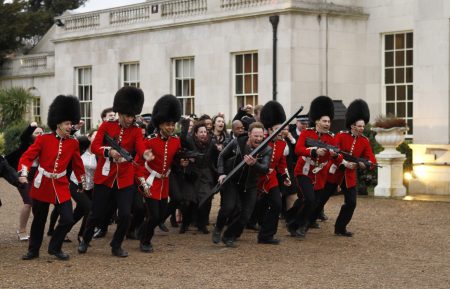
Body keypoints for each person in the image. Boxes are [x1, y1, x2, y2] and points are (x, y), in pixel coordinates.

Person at [78, 86, 153, 258]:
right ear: (120, 113)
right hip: (105, 177)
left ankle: (116, 245)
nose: (130, 119)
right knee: (96, 214)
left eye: (133, 116)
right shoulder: (106, 126)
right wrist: (108, 152)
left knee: (126, 215)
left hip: (125, 178)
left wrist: (145, 153)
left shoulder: (135, 130)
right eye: (128, 115)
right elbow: (95, 146)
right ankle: (85, 239)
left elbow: (140, 145)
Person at [19, 95, 86, 261]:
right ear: (58, 124)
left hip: (61, 183)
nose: (70, 126)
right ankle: (33, 250)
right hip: (43, 183)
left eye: (71, 123)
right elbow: (27, 157)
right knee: (39, 220)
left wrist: (81, 181)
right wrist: (24, 172)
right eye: (67, 124)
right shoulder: (44, 139)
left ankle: (54, 247)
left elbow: (77, 164)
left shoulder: (73, 143)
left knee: (68, 218)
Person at [288, 95, 342, 239]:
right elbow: (298, 149)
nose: (327, 123)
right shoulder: (307, 133)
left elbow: (338, 156)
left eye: (329, 121)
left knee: (312, 203)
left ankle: (293, 222)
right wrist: (313, 151)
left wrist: (335, 156)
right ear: (317, 121)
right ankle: (300, 226)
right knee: (309, 199)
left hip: (320, 176)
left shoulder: (332, 138)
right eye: (324, 121)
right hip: (304, 171)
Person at [212, 122, 272, 247]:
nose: (258, 139)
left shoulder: (266, 149)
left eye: (261, 136)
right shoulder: (237, 143)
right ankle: (218, 227)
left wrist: (254, 164)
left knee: (245, 215)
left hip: (250, 185)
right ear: (249, 134)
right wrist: (221, 173)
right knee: (228, 207)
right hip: (233, 181)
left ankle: (229, 236)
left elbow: (265, 169)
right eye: (255, 136)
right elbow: (222, 156)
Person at [135, 94, 181, 253]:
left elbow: (174, 160)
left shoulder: (176, 141)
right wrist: (142, 183)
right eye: (168, 124)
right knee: (154, 216)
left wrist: (182, 162)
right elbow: (139, 164)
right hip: (149, 181)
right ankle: (145, 241)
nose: (171, 127)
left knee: (160, 216)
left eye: (173, 124)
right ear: (160, 124)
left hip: (164, 182)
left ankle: (141, 230)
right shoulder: (150, 141)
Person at [325, 99, 376, 237]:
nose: (361, 128)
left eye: (362, 126)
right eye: (359, 126)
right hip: (335, 172)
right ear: (352, 125)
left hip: (349, 176)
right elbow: (334, 152)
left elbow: (371, 159)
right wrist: (343, 162)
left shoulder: (364, 141)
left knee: (351, 203)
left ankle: (340, 227)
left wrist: (364, 164)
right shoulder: (341, 135)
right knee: (321, 199)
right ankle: (306, 222)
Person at [257, 101, 291, 245]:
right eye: (278, 129)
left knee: (277, 204)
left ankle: (267, 235)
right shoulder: (261, 142)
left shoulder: (282, 143)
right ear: (270, 129)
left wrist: (285, 176)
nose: (281, 131)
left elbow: (281, 164)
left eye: (281, 128)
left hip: (271, 178)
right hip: (258, 177)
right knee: (257, 206)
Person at [6, 122, 43, 241]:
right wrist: (31, 127)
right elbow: (24, 137)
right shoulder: (25, 145)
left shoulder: (44, 146)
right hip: (23, 175)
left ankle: (37, 230)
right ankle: (22, 230)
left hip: (38, 177)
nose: (40, 135)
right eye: (37, 133)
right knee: (28, 202)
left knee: (39, 204)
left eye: (42, 133)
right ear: (31, 136)